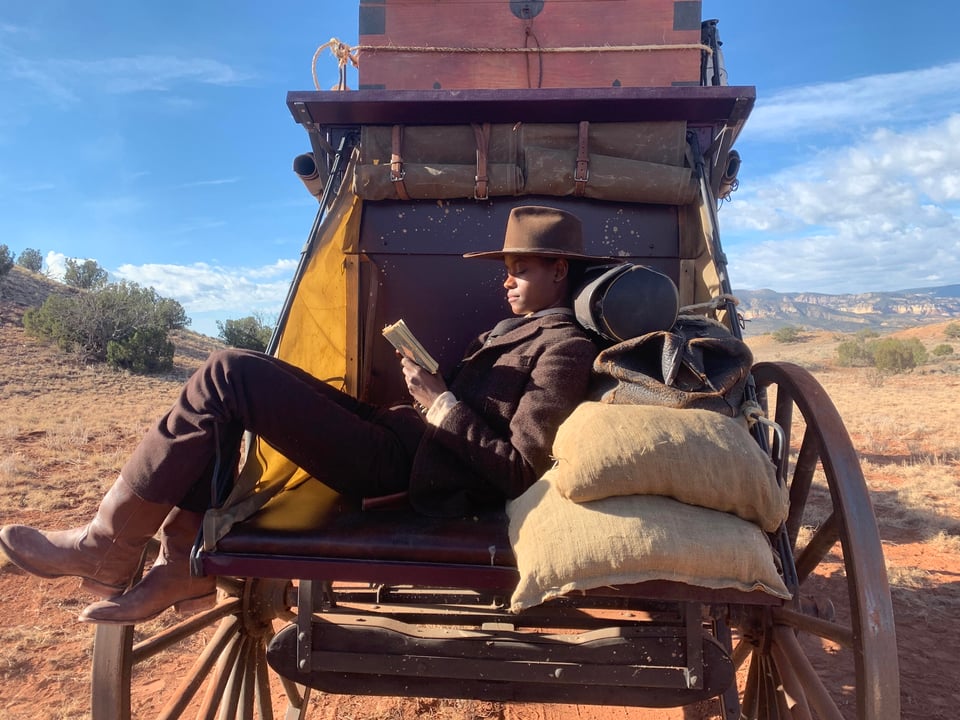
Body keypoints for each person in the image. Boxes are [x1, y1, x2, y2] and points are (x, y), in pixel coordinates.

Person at [0, 205, 606, 625]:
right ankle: (175, 557)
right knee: (229, 370)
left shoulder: (567, 346)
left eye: (519, 268)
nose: (506, 281)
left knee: (230, 374)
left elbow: (521, 468)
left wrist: (440, 401)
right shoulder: (520, 328)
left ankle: (108, 548)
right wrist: (429, 395)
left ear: (559, 270)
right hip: (400, 433)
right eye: (505, 270)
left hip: (408, 471)